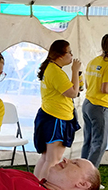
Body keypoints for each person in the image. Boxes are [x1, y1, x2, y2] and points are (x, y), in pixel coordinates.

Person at [33, 40, 81, 180]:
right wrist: (75, 70)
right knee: (53, 160)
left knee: (46, 158)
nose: (72, 55)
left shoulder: (52, 68)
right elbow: (73, 93)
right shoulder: (55, 71)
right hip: (56, 118)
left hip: (51, 116)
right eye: (69, 52)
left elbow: (73, 90)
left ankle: (35, 187)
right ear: (60, 55)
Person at [81, 33, 108, 168]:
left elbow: (88, 85)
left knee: (88, 141)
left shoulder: (94, 61)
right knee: (100, 143)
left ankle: (81, 171)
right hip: (99, 106)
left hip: (87, 103)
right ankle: (90, 176)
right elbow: (105, 88)